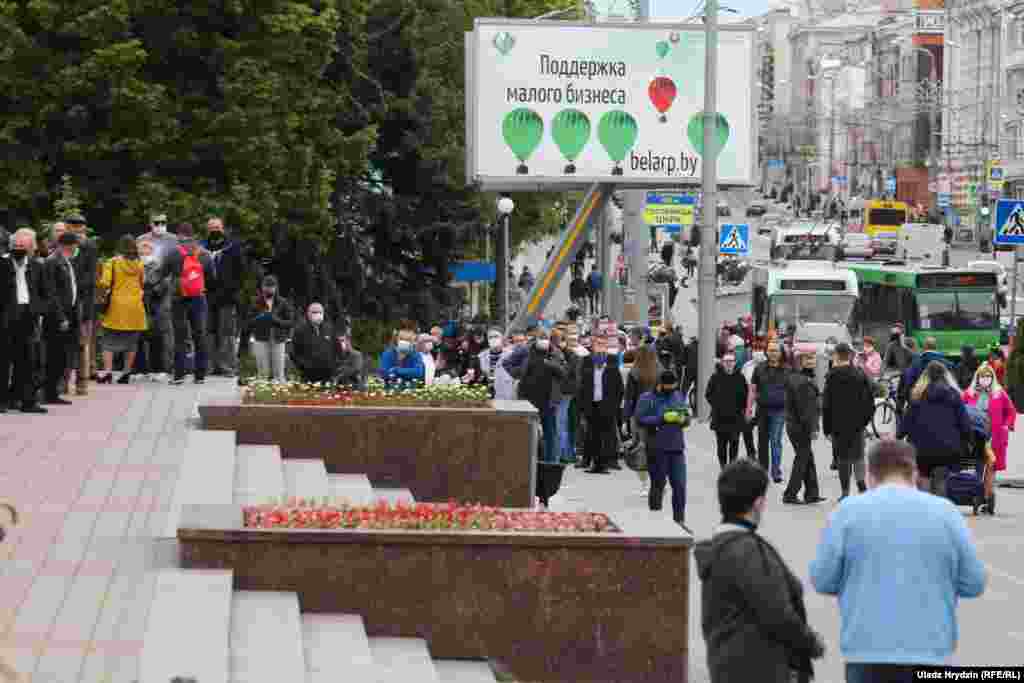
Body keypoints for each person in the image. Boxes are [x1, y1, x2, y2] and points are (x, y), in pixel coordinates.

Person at [810, 440, 986, 683]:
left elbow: (822, 579)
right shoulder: (946, 513)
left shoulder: (847, 512)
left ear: (870, 476)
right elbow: (974, 582)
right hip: (931, 650)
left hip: (867, 651)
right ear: (914, 474)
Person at [696, 459, 826, 683]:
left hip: (726, 666)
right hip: (759, 668)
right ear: (757, 503)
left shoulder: (718, 549)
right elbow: (777, 612)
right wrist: (811, 643)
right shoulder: (747, 551)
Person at [897, 361, 972, 495]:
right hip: (947, 449)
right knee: (941, 480)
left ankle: (924, 505)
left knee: (923, 477)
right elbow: (964, 423)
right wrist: (968, 441)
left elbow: (906, 423)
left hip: (921, 449)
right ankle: (939, 505)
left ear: (925, 376)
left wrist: (897, 438)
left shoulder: (917, 395)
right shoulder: (954, 395)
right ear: (945, 376)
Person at [0, 229, 51, 413]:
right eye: (16, 245)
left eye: (24, 246)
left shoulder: (37, 266)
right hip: (5, 318)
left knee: (27, 361)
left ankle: (27, 401)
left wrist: (39, 309)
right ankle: (2, 401)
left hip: (28, 317)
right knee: (3, 360)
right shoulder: (3, 264)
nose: (19, 249)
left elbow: (45, 292)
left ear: (32, 248)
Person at [503, 327, 567, 465]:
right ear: (535, 339)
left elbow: (563, 373)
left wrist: (550, 364)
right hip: (528, 399)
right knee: (526, 432)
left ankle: (550, 463)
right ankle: (524, 462)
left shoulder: (556, 352)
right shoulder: (525, 350)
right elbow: (506, 363)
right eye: (541, 338)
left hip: (549, 399)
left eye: (546, 339)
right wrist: (519, 373)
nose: (543, 341)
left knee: (550, 433)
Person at [636, 369, 690, 527]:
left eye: (674, 386)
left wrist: (683, 419)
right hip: (657, 449)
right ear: (660, 384)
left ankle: (679, 522)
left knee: (680, 486)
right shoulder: (647, 398)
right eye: (669, 387)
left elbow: (686, 417)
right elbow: (640, 419)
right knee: (658, 486)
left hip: (677, 448)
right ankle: (656, 523)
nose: (672, 389)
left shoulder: (677, 396)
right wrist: (661, 418)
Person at [822, 343, 875, 500]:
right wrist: (864, 421)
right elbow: (870, 401)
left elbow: (826, 405)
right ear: (850, 356)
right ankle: (861, 485)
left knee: (843, 458)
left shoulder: (831, 376)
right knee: (858, 455)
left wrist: (827, 428)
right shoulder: (860, 374)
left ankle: (845, 492)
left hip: (838, 425)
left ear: (836, 356)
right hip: (858, 424)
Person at [962, 363, 1016, 512]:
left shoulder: (1000, 393)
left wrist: (1007, 426)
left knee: (991, 466)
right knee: (978, 466)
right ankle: (978, 495)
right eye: (982, 376)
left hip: (995, 436)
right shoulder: (968, 393)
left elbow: (1011, 411)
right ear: (977, 377)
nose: (985, 379)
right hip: (976, 436)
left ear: (992, 378)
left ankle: (987, 496)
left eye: (988, 376)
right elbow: (959, 410)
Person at [97, 235, 147, 384]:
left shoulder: (112, 262)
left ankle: (108, 372)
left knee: (108, 341)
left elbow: (105, 283)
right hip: (135, 306)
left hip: (116, 306)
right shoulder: (140, 264)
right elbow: (143, 283)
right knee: (131, 342)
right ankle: (126, 373)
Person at [170, 223, 214, 385]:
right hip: (199, 298)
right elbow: (211, 277)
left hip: (178, 298)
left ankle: (179, 375)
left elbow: (163, 273)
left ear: (180, 235)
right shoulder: (204, 254)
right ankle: (200, 376)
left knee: (180, 337)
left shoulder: (174, 253)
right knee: (200, 336)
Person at [202, 217, 246, 377]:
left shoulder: (233, 247)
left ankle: (227, 366)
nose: (214, 230)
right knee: (208, 333)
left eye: (217, 227)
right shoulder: (202, 248)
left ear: (223, 228)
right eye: (211, 228)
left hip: (227, 298)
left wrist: (232, 290)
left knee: (227, 333)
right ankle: (209, 366)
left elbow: (241, 272)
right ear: (207, 230)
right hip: (207, 298)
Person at [782, 348, 826, 505]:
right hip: (800, 426)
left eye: (812, 358)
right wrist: (813, 428)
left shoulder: (797, 377)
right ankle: (790, 493)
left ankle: (812, 493)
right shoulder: (803, 382)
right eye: (807, 358)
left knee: (807, 458)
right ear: (800, 362)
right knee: (802, 459)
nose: (811, 361)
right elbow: (806, 410)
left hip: (794, 424)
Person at [42, 230, 80, 404]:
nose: (76, 249)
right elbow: (51, 292)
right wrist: (60, 316)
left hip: (68, 313)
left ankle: (53, 392)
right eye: (74, 245)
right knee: (55, 354)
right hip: (58, 316)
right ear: (68, 246)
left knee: (62, 355)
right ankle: (49, 392)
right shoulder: (53, 261)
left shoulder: (65, 261)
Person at [577, 334, 623, 473]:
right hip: (591, 405)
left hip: (606, 405)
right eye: (598, 344)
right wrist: (583, 406)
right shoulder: (587, 362)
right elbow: (582, 386)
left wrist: (614, 405)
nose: (600, 348)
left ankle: (607, 462)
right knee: (592, 433)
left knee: (607, 434)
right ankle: (591, 461)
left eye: (603, 344)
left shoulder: (612, 363)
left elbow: (619, 388)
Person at [240, 275, 295, 382]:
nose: (269, 289)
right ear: (262, 287)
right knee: (263, 373)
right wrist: (261, 318)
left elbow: (290, 322)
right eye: (266, 286)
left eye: (271, 286)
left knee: (278, 373)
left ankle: (279, 389)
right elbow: (248, 322)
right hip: (261, 339)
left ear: (276, 287)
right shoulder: (256, 302)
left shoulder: (283, 302)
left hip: (278, 339)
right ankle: (262, 390)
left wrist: (276, 320)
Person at [66, 215, 97, 395]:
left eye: (79, 228)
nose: (77, 231)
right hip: (68, 300)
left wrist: (72, 284)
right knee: (67, 343)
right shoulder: (63, 245)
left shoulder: (88, 246)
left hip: (83, 301)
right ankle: (64, 381)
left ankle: (81, 382)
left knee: (82, 343)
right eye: (73, 227)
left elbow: (91, 277)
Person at [133, 237, 172, 380]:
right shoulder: (134, 266)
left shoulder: (159, 267)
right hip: (138, 306)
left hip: (156, 307)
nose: (144, 254)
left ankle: (158, 369)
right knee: (137, 339)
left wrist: (149, 289)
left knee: (156, 339)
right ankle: (139, 369)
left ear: (152, 251)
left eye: (147, 250)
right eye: (141, 251)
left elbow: (165, 284)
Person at [624, 344, 660, 494]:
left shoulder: (634, 372)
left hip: (639, 417)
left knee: (640, 450)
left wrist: (625, 419)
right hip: (658, 416)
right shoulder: (660, 371)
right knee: (657, 451)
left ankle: (644, 485)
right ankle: (658, 482)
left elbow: (629, 399)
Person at [752, 342, 789, 483]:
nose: (773, 353)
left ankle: (776, 472)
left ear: (780, 353)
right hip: (762, 410)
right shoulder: (759, 368)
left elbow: (792, 391)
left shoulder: (787, 370)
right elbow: (753, 389)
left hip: (779, 411)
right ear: (766, 352)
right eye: (771, 350)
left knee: (775, 441)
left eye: (776, 350)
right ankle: (762, 471)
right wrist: (749, 409)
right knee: (762, 442)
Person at [706, 354, 749, 469]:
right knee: (721, 446)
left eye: (731, 361)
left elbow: (745, 395)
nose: (729, 363)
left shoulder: (740, 377)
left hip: (736, 417)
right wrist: (717, 405)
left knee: (734, 444)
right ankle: (723, 467)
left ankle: (732, 468)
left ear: (735, 363)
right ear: (722, 363)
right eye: (726, 361)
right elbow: (708, 394)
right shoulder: (715, 377)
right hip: (720, 417)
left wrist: (742, 408)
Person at [289, 302, 339, 384]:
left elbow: (338, 349)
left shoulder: (329, 329)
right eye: (315, 312)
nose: (318, 315)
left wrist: (334, 366)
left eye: (320, 312)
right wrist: (303, 366)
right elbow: (293, 352)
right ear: (308, 314)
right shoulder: (300, 330)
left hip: (328, 375)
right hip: (308, 376)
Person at [552, 327, 580, 464]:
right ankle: (564, 453)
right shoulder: (567, 354)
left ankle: (562, 454)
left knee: (560, 423)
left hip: (564, 392)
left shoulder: (567, 354)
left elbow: (566, 372)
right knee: (562, 423)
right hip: (563, 392)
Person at [739, 349, 763, 462]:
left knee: (763, 432)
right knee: (746, 429)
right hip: (748, 403)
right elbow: (742, 383)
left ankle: (762, 455)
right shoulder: (747, 366)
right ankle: (751, 453)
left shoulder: (768, 365)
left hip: (763, 404)